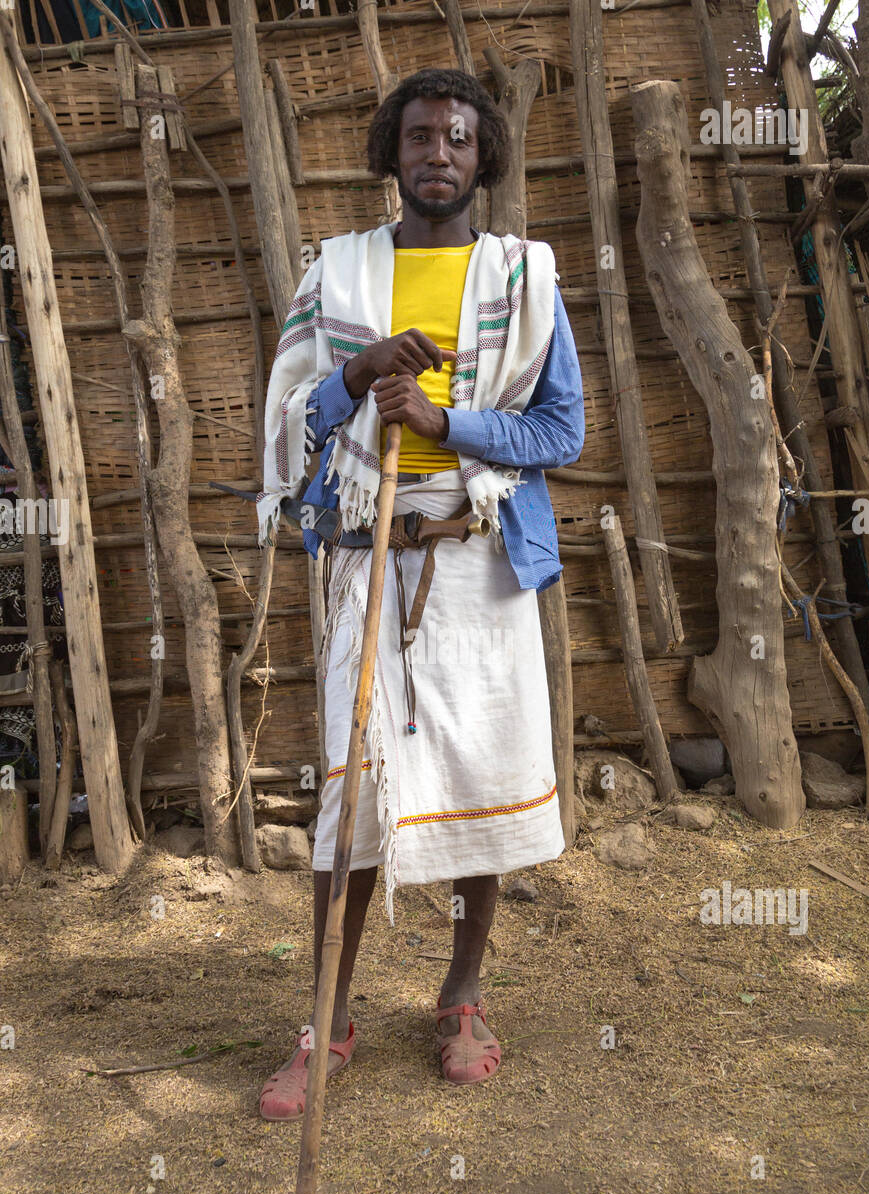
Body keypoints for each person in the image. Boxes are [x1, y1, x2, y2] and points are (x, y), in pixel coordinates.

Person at [256, 67, 584, 1112]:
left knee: (482, 788)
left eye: (456, 137)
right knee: (350, 803)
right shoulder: (338, 272)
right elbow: (287, 422)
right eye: (416, 137)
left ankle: (461, 995)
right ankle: (328, 1017)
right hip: (367, 557)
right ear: (389, 156)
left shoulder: (525, 278)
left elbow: (560, 430)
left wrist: (448, 425)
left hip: (478, 564)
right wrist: (357, 378)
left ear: (483, 152)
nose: (436, 153)